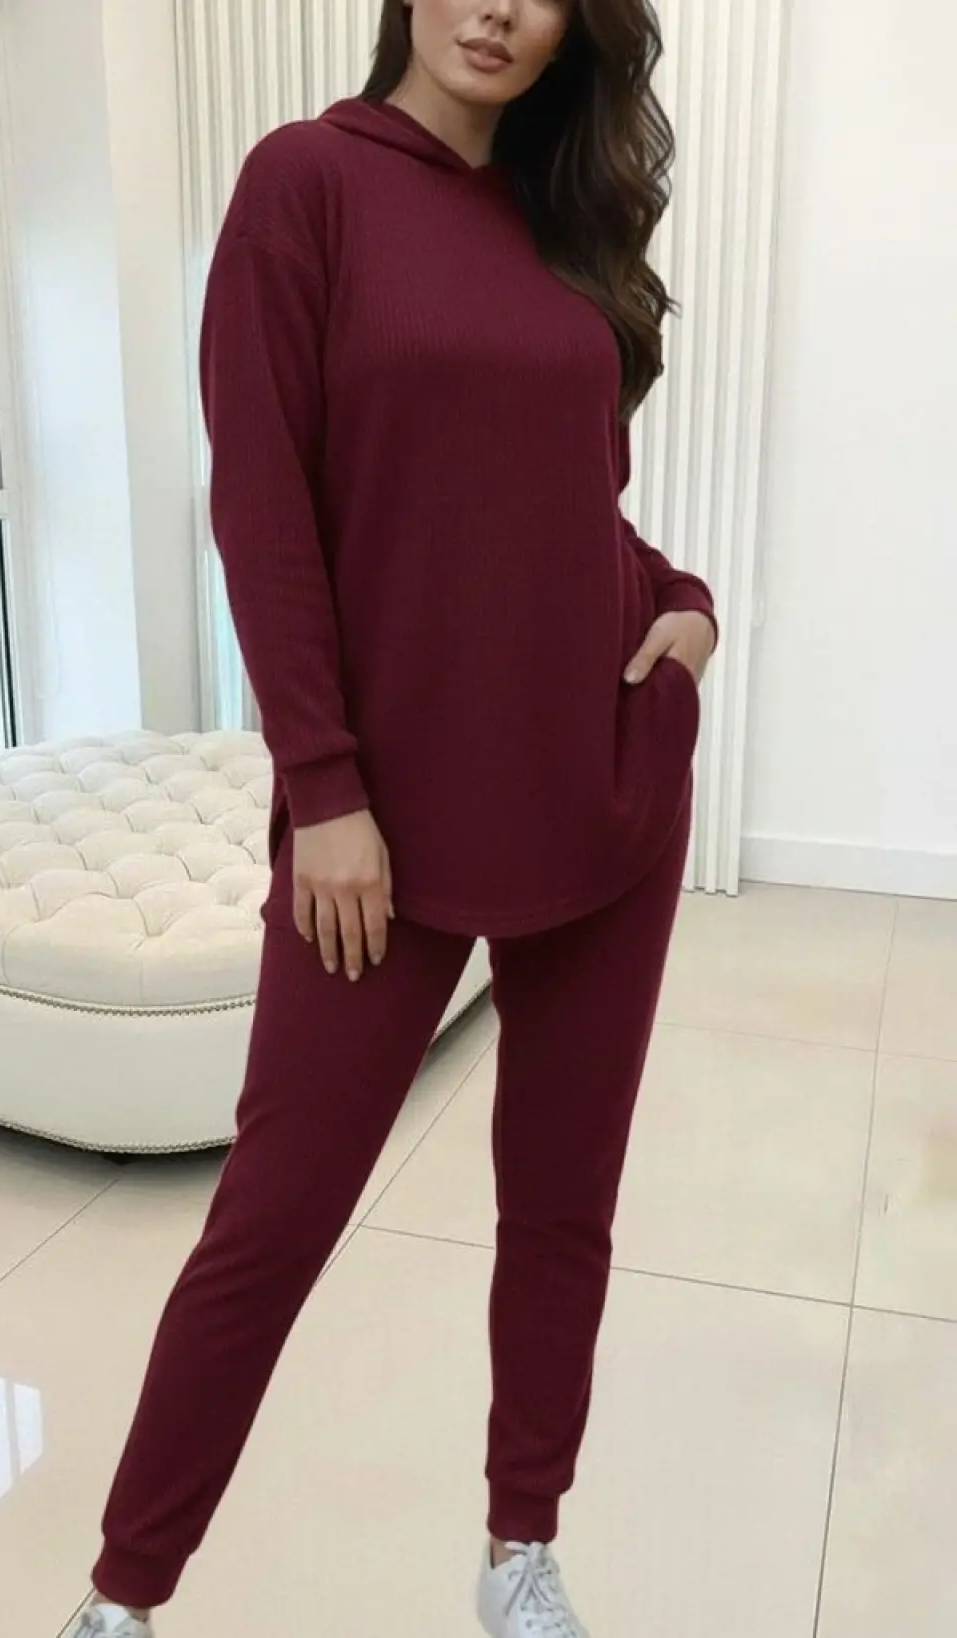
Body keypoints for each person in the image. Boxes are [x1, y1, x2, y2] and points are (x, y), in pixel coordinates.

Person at [66, 1, 717, 1634]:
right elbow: (263, 500)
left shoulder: (558, 220)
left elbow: (565, 508)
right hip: (382, 831)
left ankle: (519, 1552)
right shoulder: (308, 184)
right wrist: (325, 789)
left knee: (561, 1203)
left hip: (604, 783)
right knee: (272, 1220)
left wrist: (683, 603)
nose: (496, 8)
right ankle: (123, 1596)